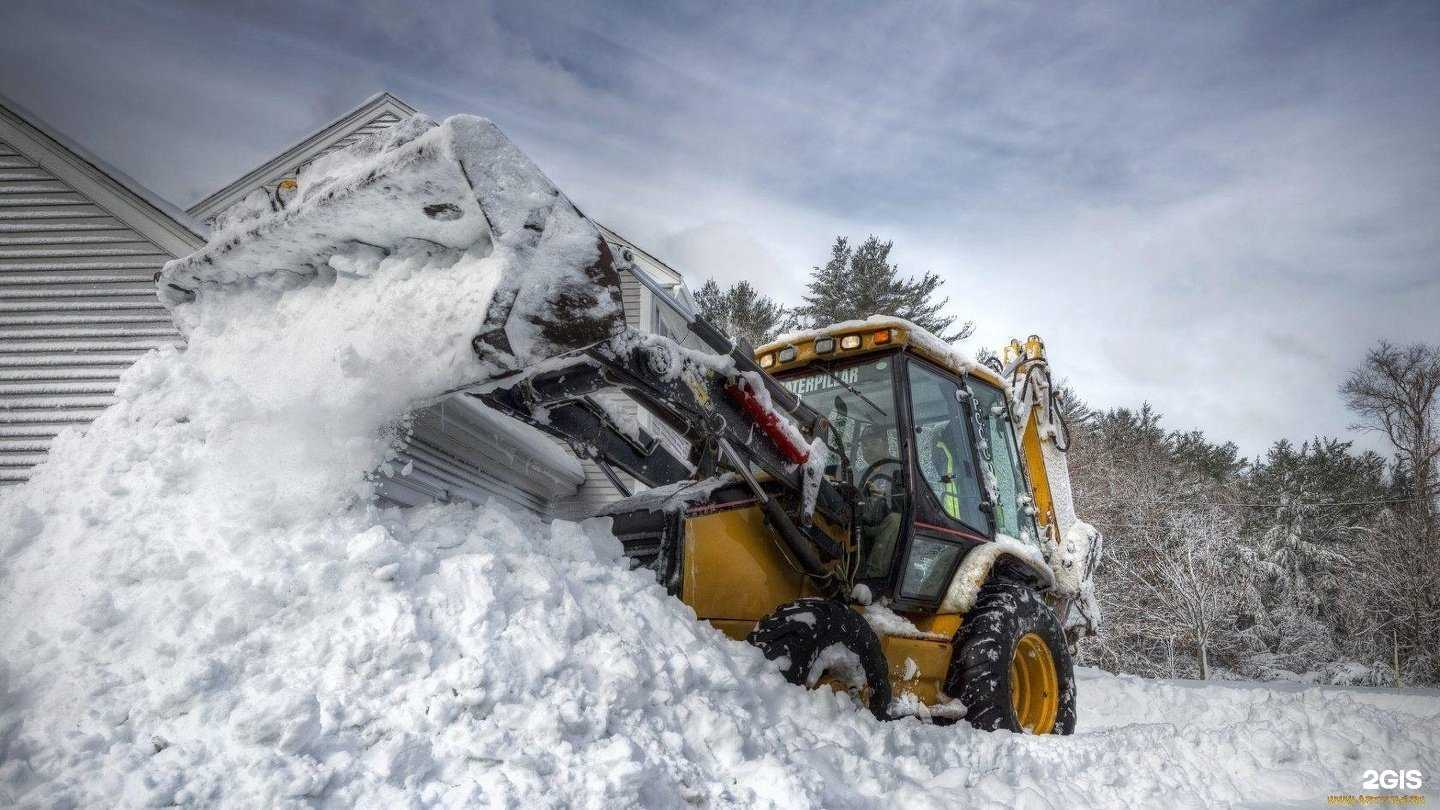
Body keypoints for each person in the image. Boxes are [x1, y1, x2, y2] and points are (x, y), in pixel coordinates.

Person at [857, 424, 902, 579]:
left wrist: (885, 497)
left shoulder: (899, 469)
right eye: (864, 445)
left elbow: (908, 505)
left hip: (884, 526)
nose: (868, 448)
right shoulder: (861, 473)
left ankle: (872, 579)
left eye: (873, 443)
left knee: (896, 520)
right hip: (862, 525)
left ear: (885, 444)